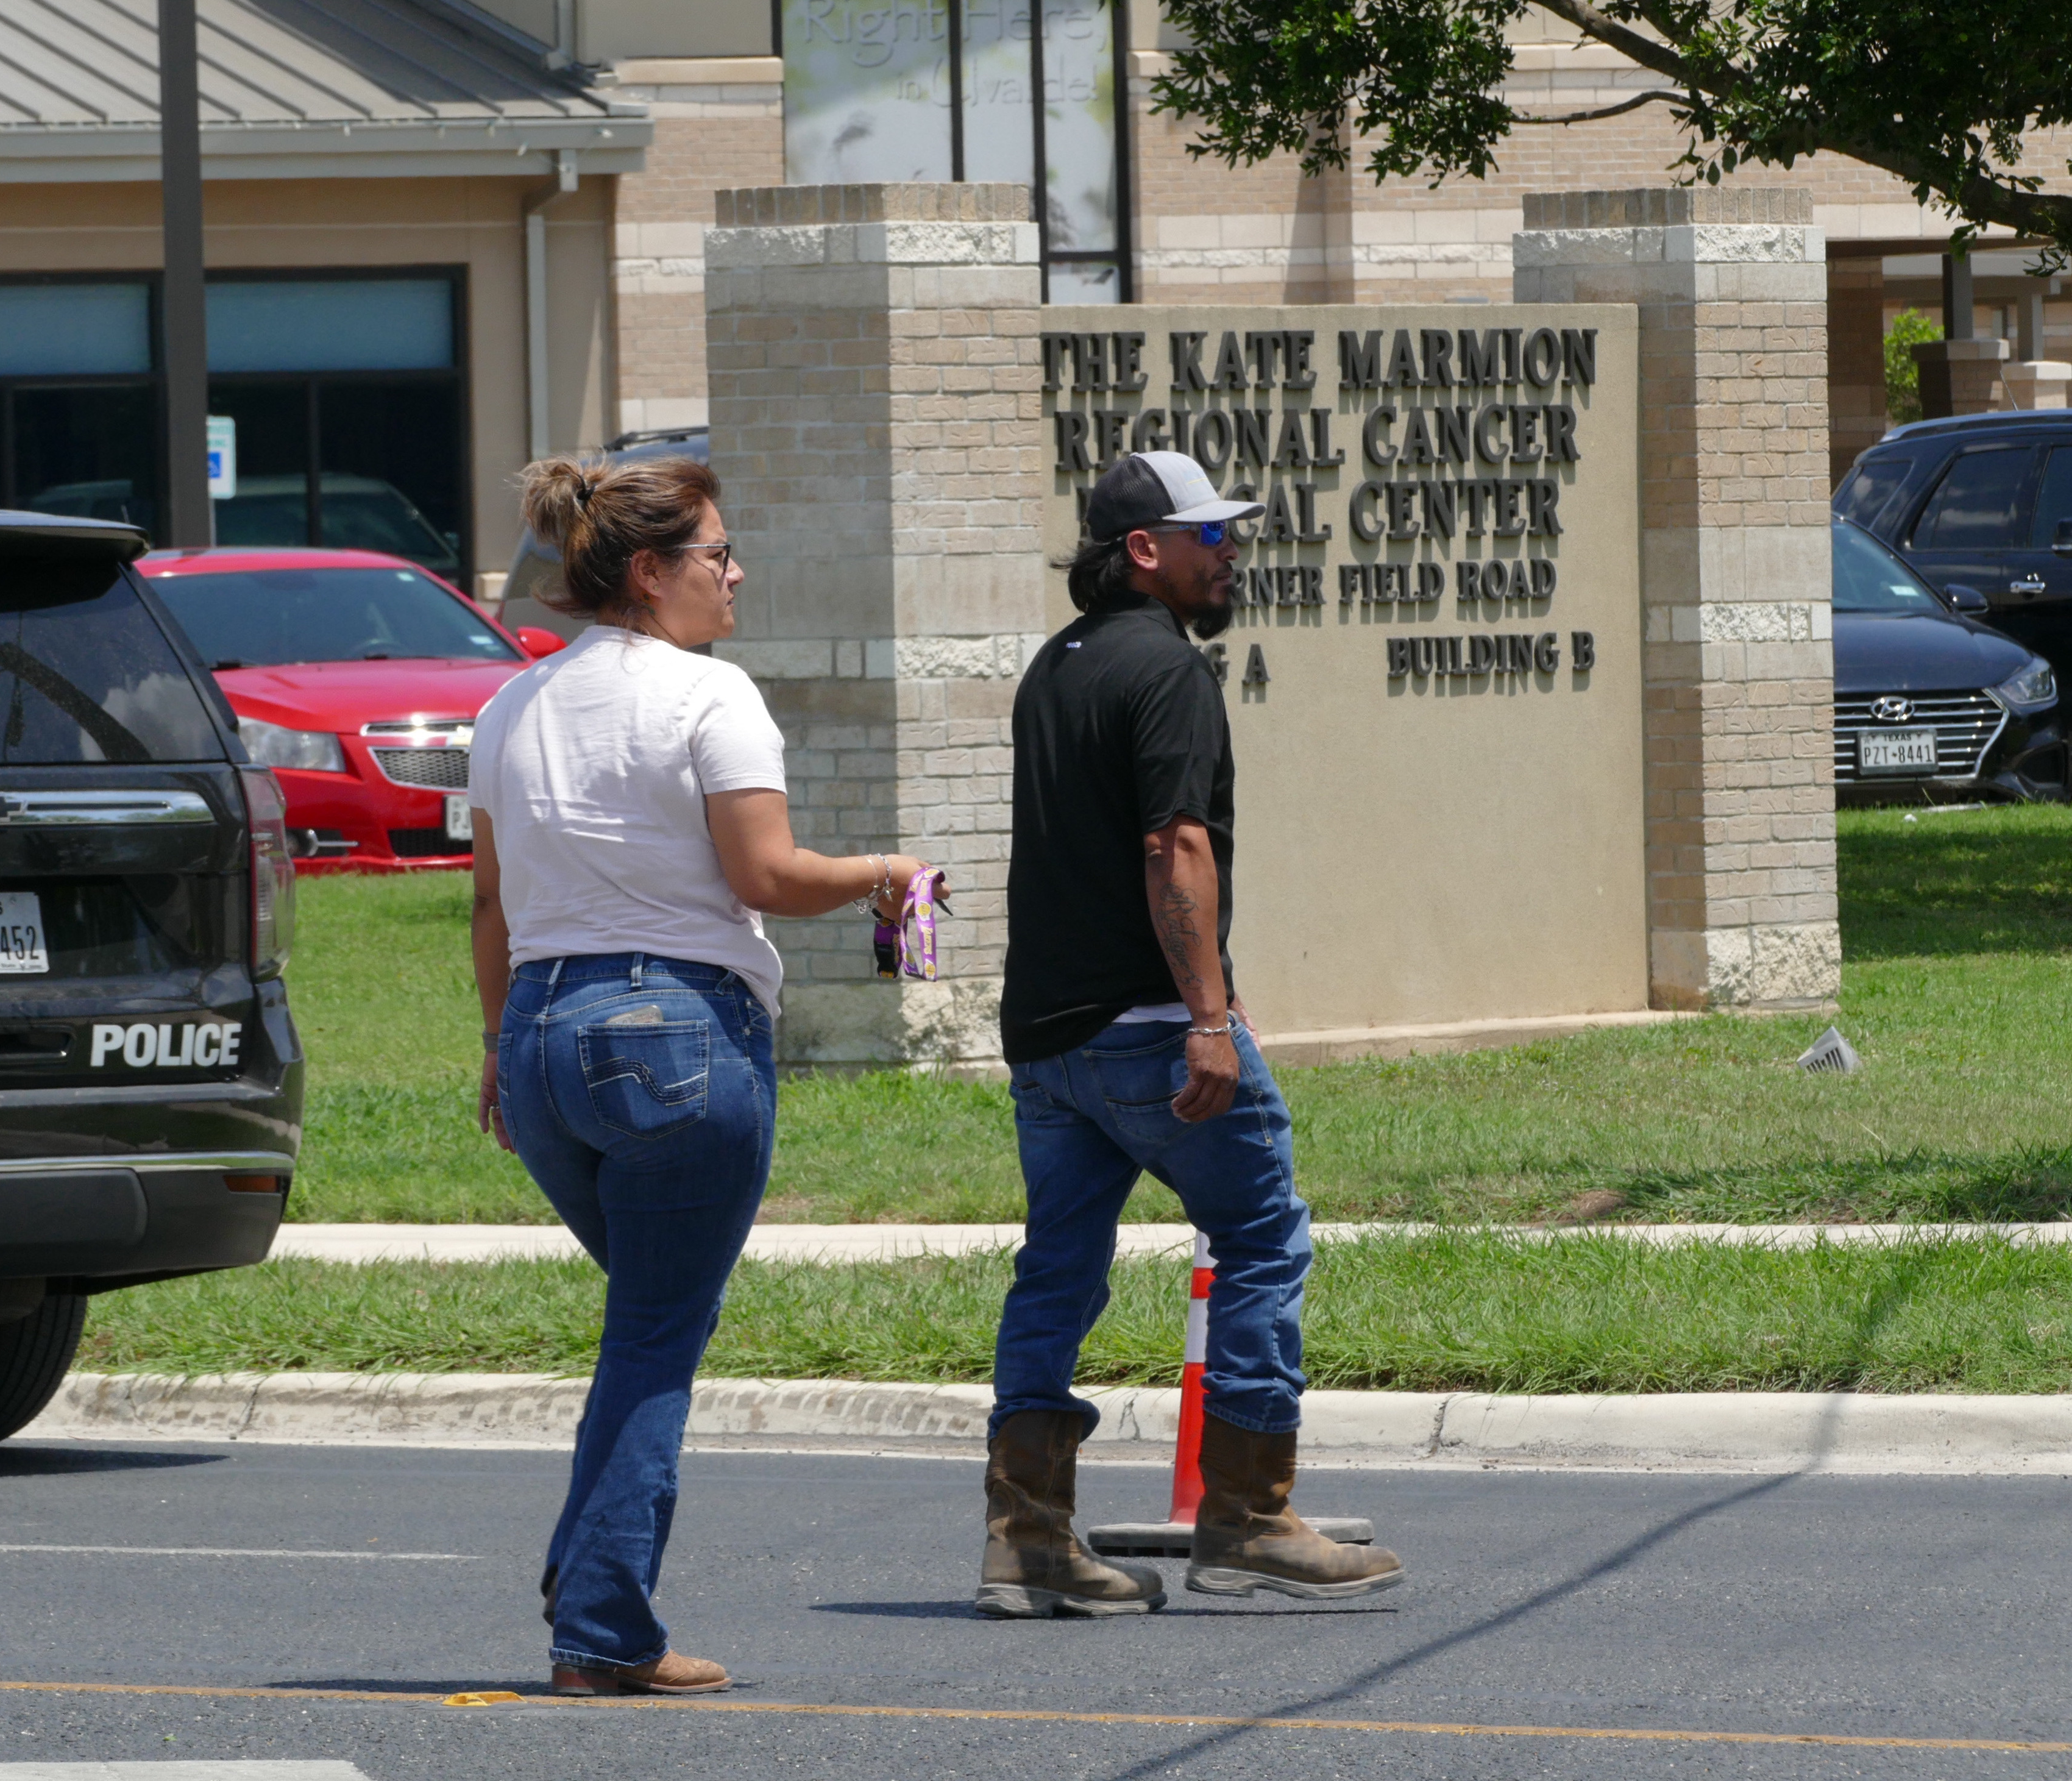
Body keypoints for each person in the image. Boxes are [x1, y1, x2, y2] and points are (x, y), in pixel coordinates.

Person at [469, 454, 932, 1696]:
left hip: (544, 1037)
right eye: (717, 554)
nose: (736, 574)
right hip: (674, 1036)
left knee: (651, 1321)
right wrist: (883, 870)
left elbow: (490, 909)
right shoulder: (709, 697)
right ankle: (604, 1627)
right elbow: (766, 877)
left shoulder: (513, 705)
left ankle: (585, 1574)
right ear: (649, 572)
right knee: (659, 1335)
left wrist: (498, 1049)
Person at [980, 450, 1404, 1618]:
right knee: (1263, 1234)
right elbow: (1176, 846)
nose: (1231, 552)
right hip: (1152, 1029)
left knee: (1058, 1270)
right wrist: (1209, 1016)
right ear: (1143, 554)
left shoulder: (1052, 669)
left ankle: (1027, 1542)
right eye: (1210, 535)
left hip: (1048, 1038)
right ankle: (1251, 1518)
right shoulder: (1165, 670)